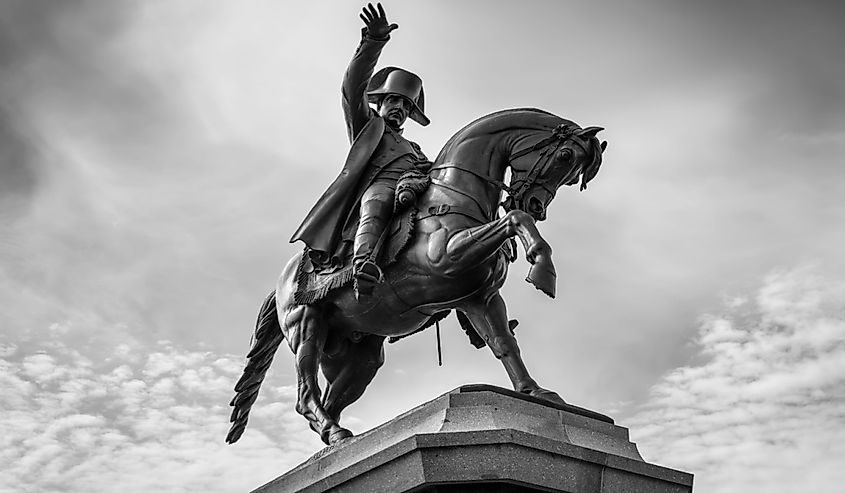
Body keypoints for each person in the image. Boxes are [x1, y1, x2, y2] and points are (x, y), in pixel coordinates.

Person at [290, 3, 430, 299]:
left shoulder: (414, 150)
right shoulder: (368, 125)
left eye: (407, 106)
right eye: (395, 101)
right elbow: (352, 86)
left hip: (410, 192)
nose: (400, 110)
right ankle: (363, 264)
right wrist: (374, 42)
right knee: (377, 200)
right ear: (381, 102)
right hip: (378, 189)